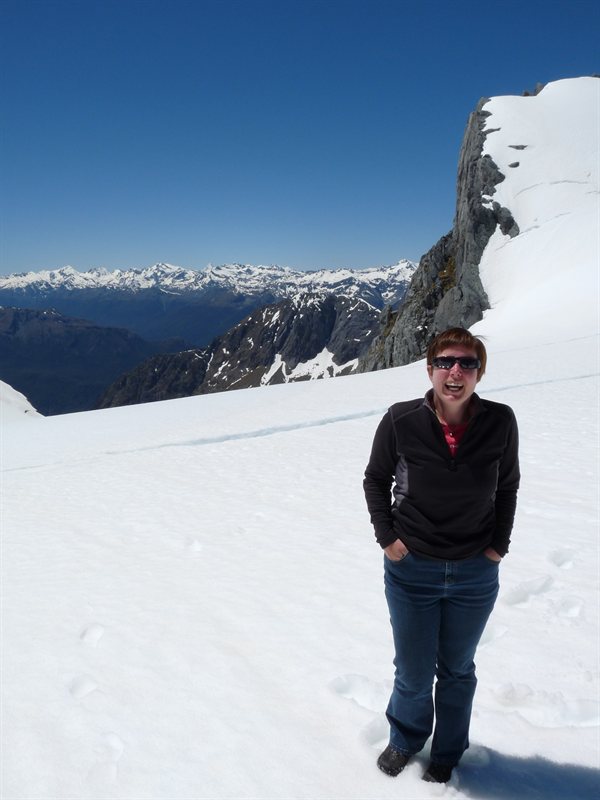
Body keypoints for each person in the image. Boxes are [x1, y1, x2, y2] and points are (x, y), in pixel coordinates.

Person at [363, 327, 519, 784]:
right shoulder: (401, 419)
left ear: (479, 372)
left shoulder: (500, 420)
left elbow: (507, 485)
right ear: (430, 369)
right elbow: (376, 479)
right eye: (447, 362)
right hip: (412, 567)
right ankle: (405, 738)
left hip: (474, 570)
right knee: (412, 672)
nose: (456, 372)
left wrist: (498, 546)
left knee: (456, 671)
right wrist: (387, 538)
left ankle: (447, 752)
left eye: (467, 364)